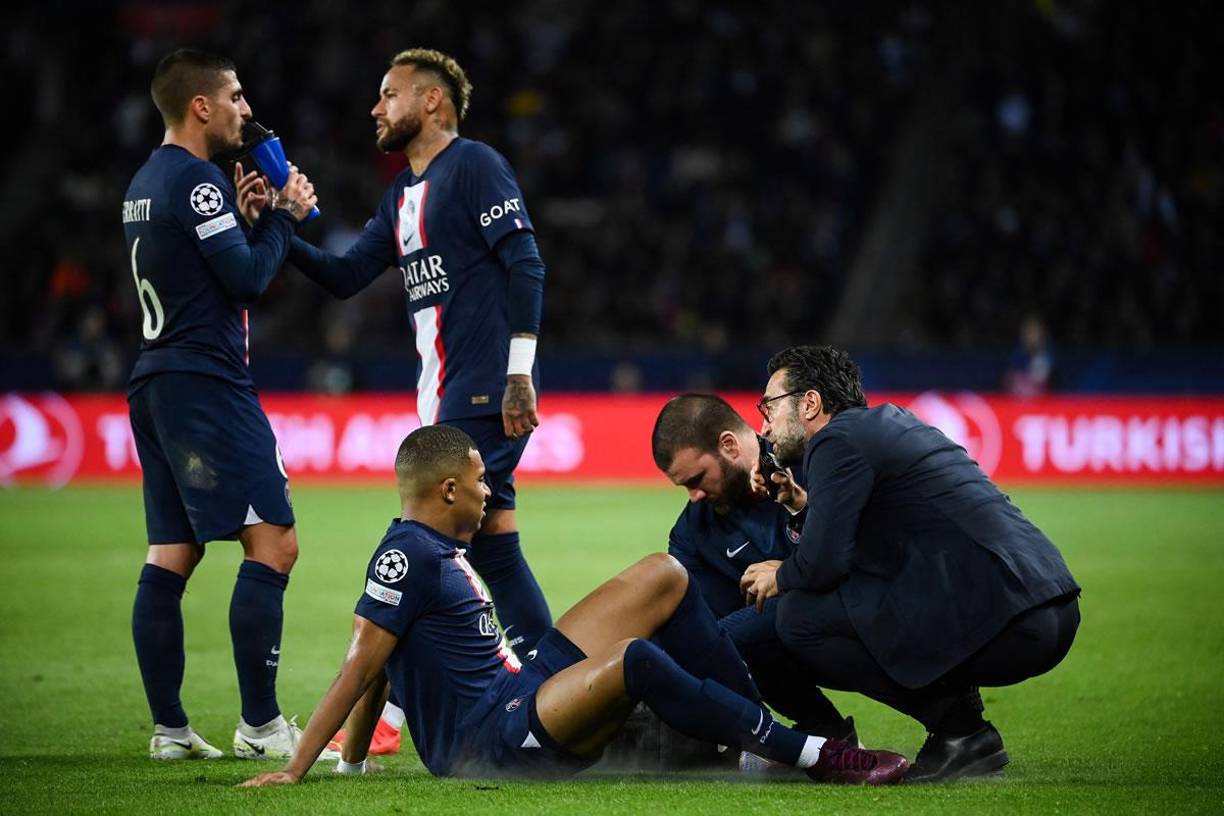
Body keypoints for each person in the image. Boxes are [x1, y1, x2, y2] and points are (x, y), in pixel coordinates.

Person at [240, 425, 910, 786]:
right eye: (480, 484)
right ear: (447, 489)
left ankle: (748, 732)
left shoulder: (428, 549)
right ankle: (810, 754)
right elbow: (362, 666)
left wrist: (355, 764)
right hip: (489, 743)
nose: (488, 494)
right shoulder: (405, 557)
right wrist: (298, 772)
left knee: (664, 573)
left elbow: (384, 664)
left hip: (517, 693)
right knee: (633, 660)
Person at [122, 48, 331, 762]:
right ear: (200, 106)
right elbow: (244, 282)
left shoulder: (146, 182)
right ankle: (263, 727)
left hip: (155, 381)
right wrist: (282, 217)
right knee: (275, 543)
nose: (247, 108)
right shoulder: (198, 181)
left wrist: (247, 227)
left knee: (172, 553)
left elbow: (204, 275)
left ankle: (171, 731)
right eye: (236, 96)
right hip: (206, 385)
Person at [741, 345, 1081, 783]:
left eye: (769, 406)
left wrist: (780, 574)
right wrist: (796, 504)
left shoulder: (834, 440)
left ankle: (960, 732)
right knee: (856, 596)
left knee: (798, 619)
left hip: (1008, 615)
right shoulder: (888, 424)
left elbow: (822, 565)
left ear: (810, 403)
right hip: (1045, 602)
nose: (763, 425)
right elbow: (863, 545)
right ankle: (961, 731)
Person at [648, 394, 858, 749]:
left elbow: (864, 555)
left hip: (870, 620)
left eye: (697, 478)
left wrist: (791, 569)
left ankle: (959, 723)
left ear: (729, 445)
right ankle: (827, 735)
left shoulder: (815, 460)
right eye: (684, 486)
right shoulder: (692, 532)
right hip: (802, 642)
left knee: (742, 630)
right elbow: (689, 625)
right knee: (717, 638)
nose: (694, 496)